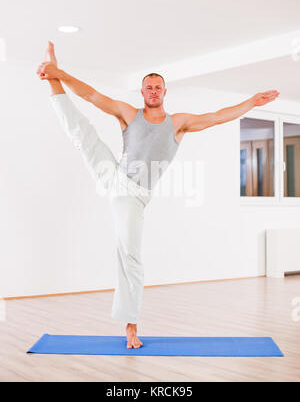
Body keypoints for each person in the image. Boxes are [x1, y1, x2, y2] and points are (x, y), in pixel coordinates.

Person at [37, 41, 280, 349]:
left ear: (165, 93)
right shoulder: (128, 113)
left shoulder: (178, 123)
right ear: (142, 92)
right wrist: (59, 73)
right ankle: (52, 76)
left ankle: (131, 327)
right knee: (81, 133)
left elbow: (219, 115)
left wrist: (251, 102)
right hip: (114, 176)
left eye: (158, 87)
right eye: (148, 87)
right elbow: (91, 95)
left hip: (133, 195)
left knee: (130, 257)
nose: (153, 91)